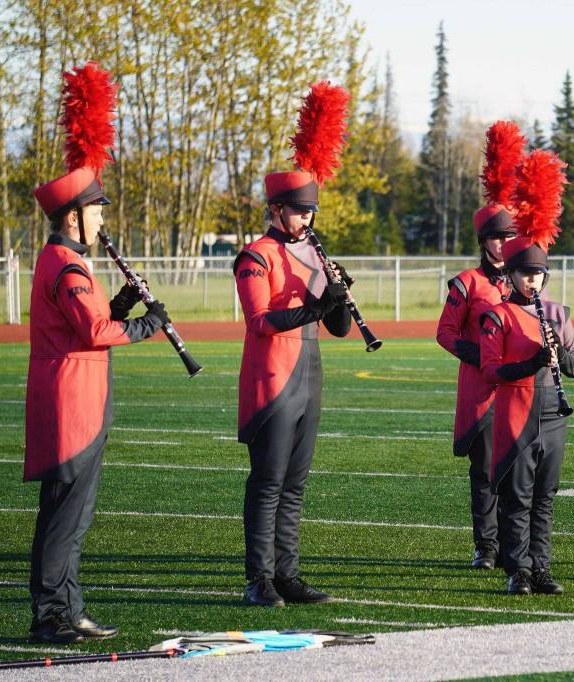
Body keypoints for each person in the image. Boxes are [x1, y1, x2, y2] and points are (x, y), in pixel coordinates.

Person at [25, 63, 168, 644]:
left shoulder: (69, 264)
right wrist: (145, 326)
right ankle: (51, 615)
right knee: (66, 516)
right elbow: (91, 331)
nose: (103, 219)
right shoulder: (65, 261)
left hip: (80, 398)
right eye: (98, 210)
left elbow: (84, 318)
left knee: (73, 516)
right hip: (71, 404)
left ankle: (65, 608)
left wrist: (120, 301)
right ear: (73, 214)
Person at [235, 81, 352, 607]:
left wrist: (338, 300)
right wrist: (314, 305)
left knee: (296, 484)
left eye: (311, 213)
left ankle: (287, 575)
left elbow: (340, 329)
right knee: (268, 482)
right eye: (301, 212)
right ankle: (258, 579)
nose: (308, 221)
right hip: (273, 379)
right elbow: (261, 319)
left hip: (309, 374)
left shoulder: (311, 256)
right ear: (278, 209)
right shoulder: (254, 255)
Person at [479, 149, 574, 596]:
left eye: (538, 275)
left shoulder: (558, 313)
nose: (532, 282)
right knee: (517, 497)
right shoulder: (497, 316)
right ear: (513, 275)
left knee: (545, 498)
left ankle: (540, 567)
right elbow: (492, 371)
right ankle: (516, 569)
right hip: (517, 415)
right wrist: (532, 363)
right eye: (524, 274)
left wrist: (559, 354)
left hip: (553, 418)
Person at [436, 121, 524, 569]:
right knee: (485, 474)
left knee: (519, 474)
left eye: (509, 236)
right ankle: (486, 547)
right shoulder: (466, 283)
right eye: (495, 237)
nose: (503, 243)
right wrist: (482, 358)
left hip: (521, 392)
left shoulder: (525, 283)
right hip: (482, 391)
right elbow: (444, 333)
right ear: (483, 241)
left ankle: (516, 547)